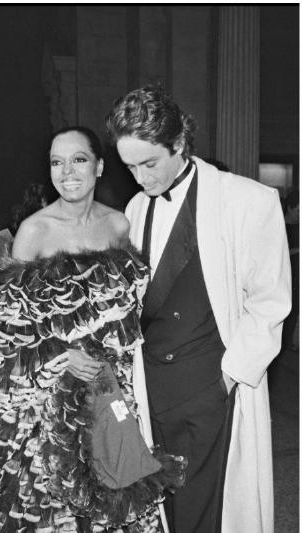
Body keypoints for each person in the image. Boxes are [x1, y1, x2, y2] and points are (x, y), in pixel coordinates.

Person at [0, 126, 185, 532]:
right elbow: (9, 327)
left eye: (78, 159)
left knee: (116, 475)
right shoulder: (35, 230)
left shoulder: (119, 225)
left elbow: (130, 310)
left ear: (99, 167)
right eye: (57, 162)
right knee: (47, 496)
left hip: (110, 382)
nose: (67, 172)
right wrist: (62, 354)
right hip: (48, 389)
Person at [106, 86, 292, 532]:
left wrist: (228, 378)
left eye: (150, 164)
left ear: (179, 143)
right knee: (163, 506)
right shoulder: (135, 207)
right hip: (151, 388)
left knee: (207, 510)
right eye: (130, 167)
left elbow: (270, 302)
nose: (141, 178)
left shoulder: (248, 200)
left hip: (211, 386)